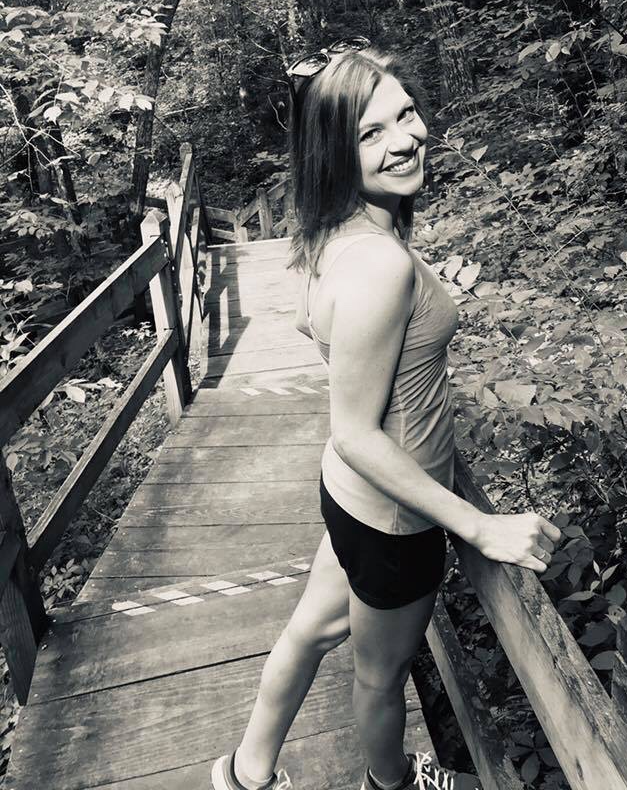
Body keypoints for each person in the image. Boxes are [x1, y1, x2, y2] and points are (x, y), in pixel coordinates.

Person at [211, 39, 562, 790]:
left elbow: (311, 325)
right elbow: (355, 433)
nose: (404, 139)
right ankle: (392, 782)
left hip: (349, 498)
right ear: (336, 151)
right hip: (394, 519)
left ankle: (244, 773)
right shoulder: (381, 263)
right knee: (379, 676)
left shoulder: (335, 231)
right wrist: (480, 526)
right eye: (371, 132)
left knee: (312, 630)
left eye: (405, 115)